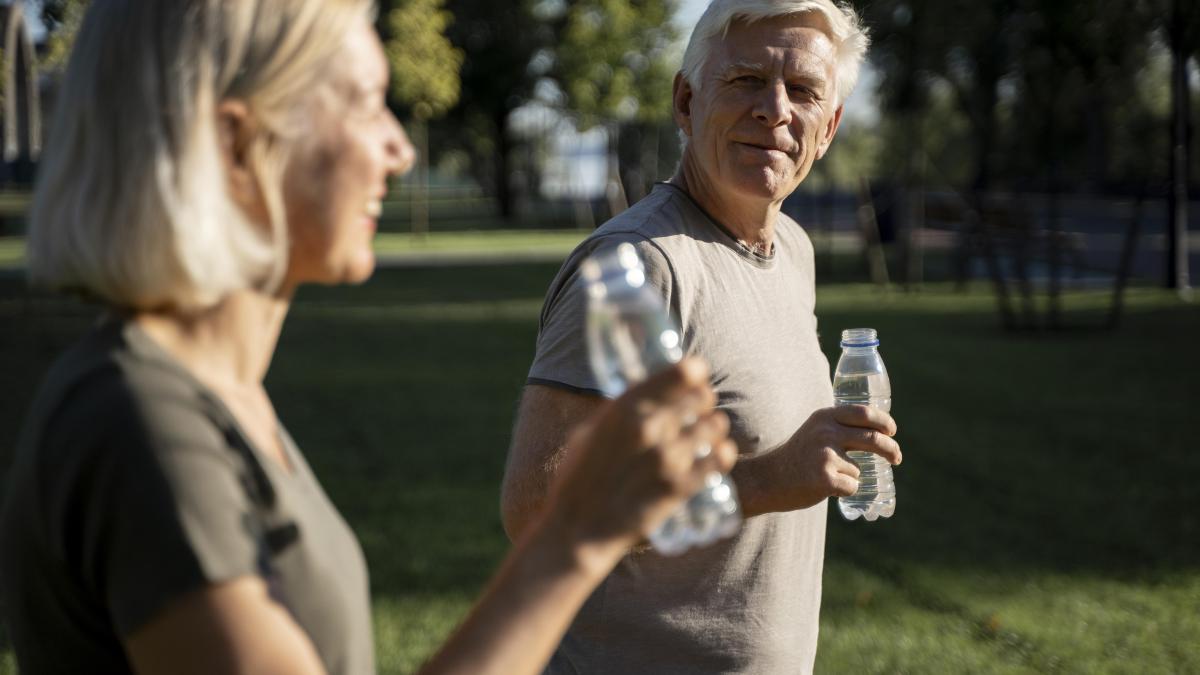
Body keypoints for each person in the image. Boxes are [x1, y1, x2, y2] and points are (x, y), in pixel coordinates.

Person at [0, 2, 737, 674]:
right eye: (363, 103)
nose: (400, 148)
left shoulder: (210, 397)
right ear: (235, 141)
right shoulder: (141, 425)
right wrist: (577, 532)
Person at [500, 1, 903, 672]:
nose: (774, 110)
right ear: (686, 102)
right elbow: (536, 510)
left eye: (803, 91)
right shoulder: (638, 265)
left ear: (828, 127)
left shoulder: (791, 251)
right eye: (746, 80)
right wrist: (767, 478)